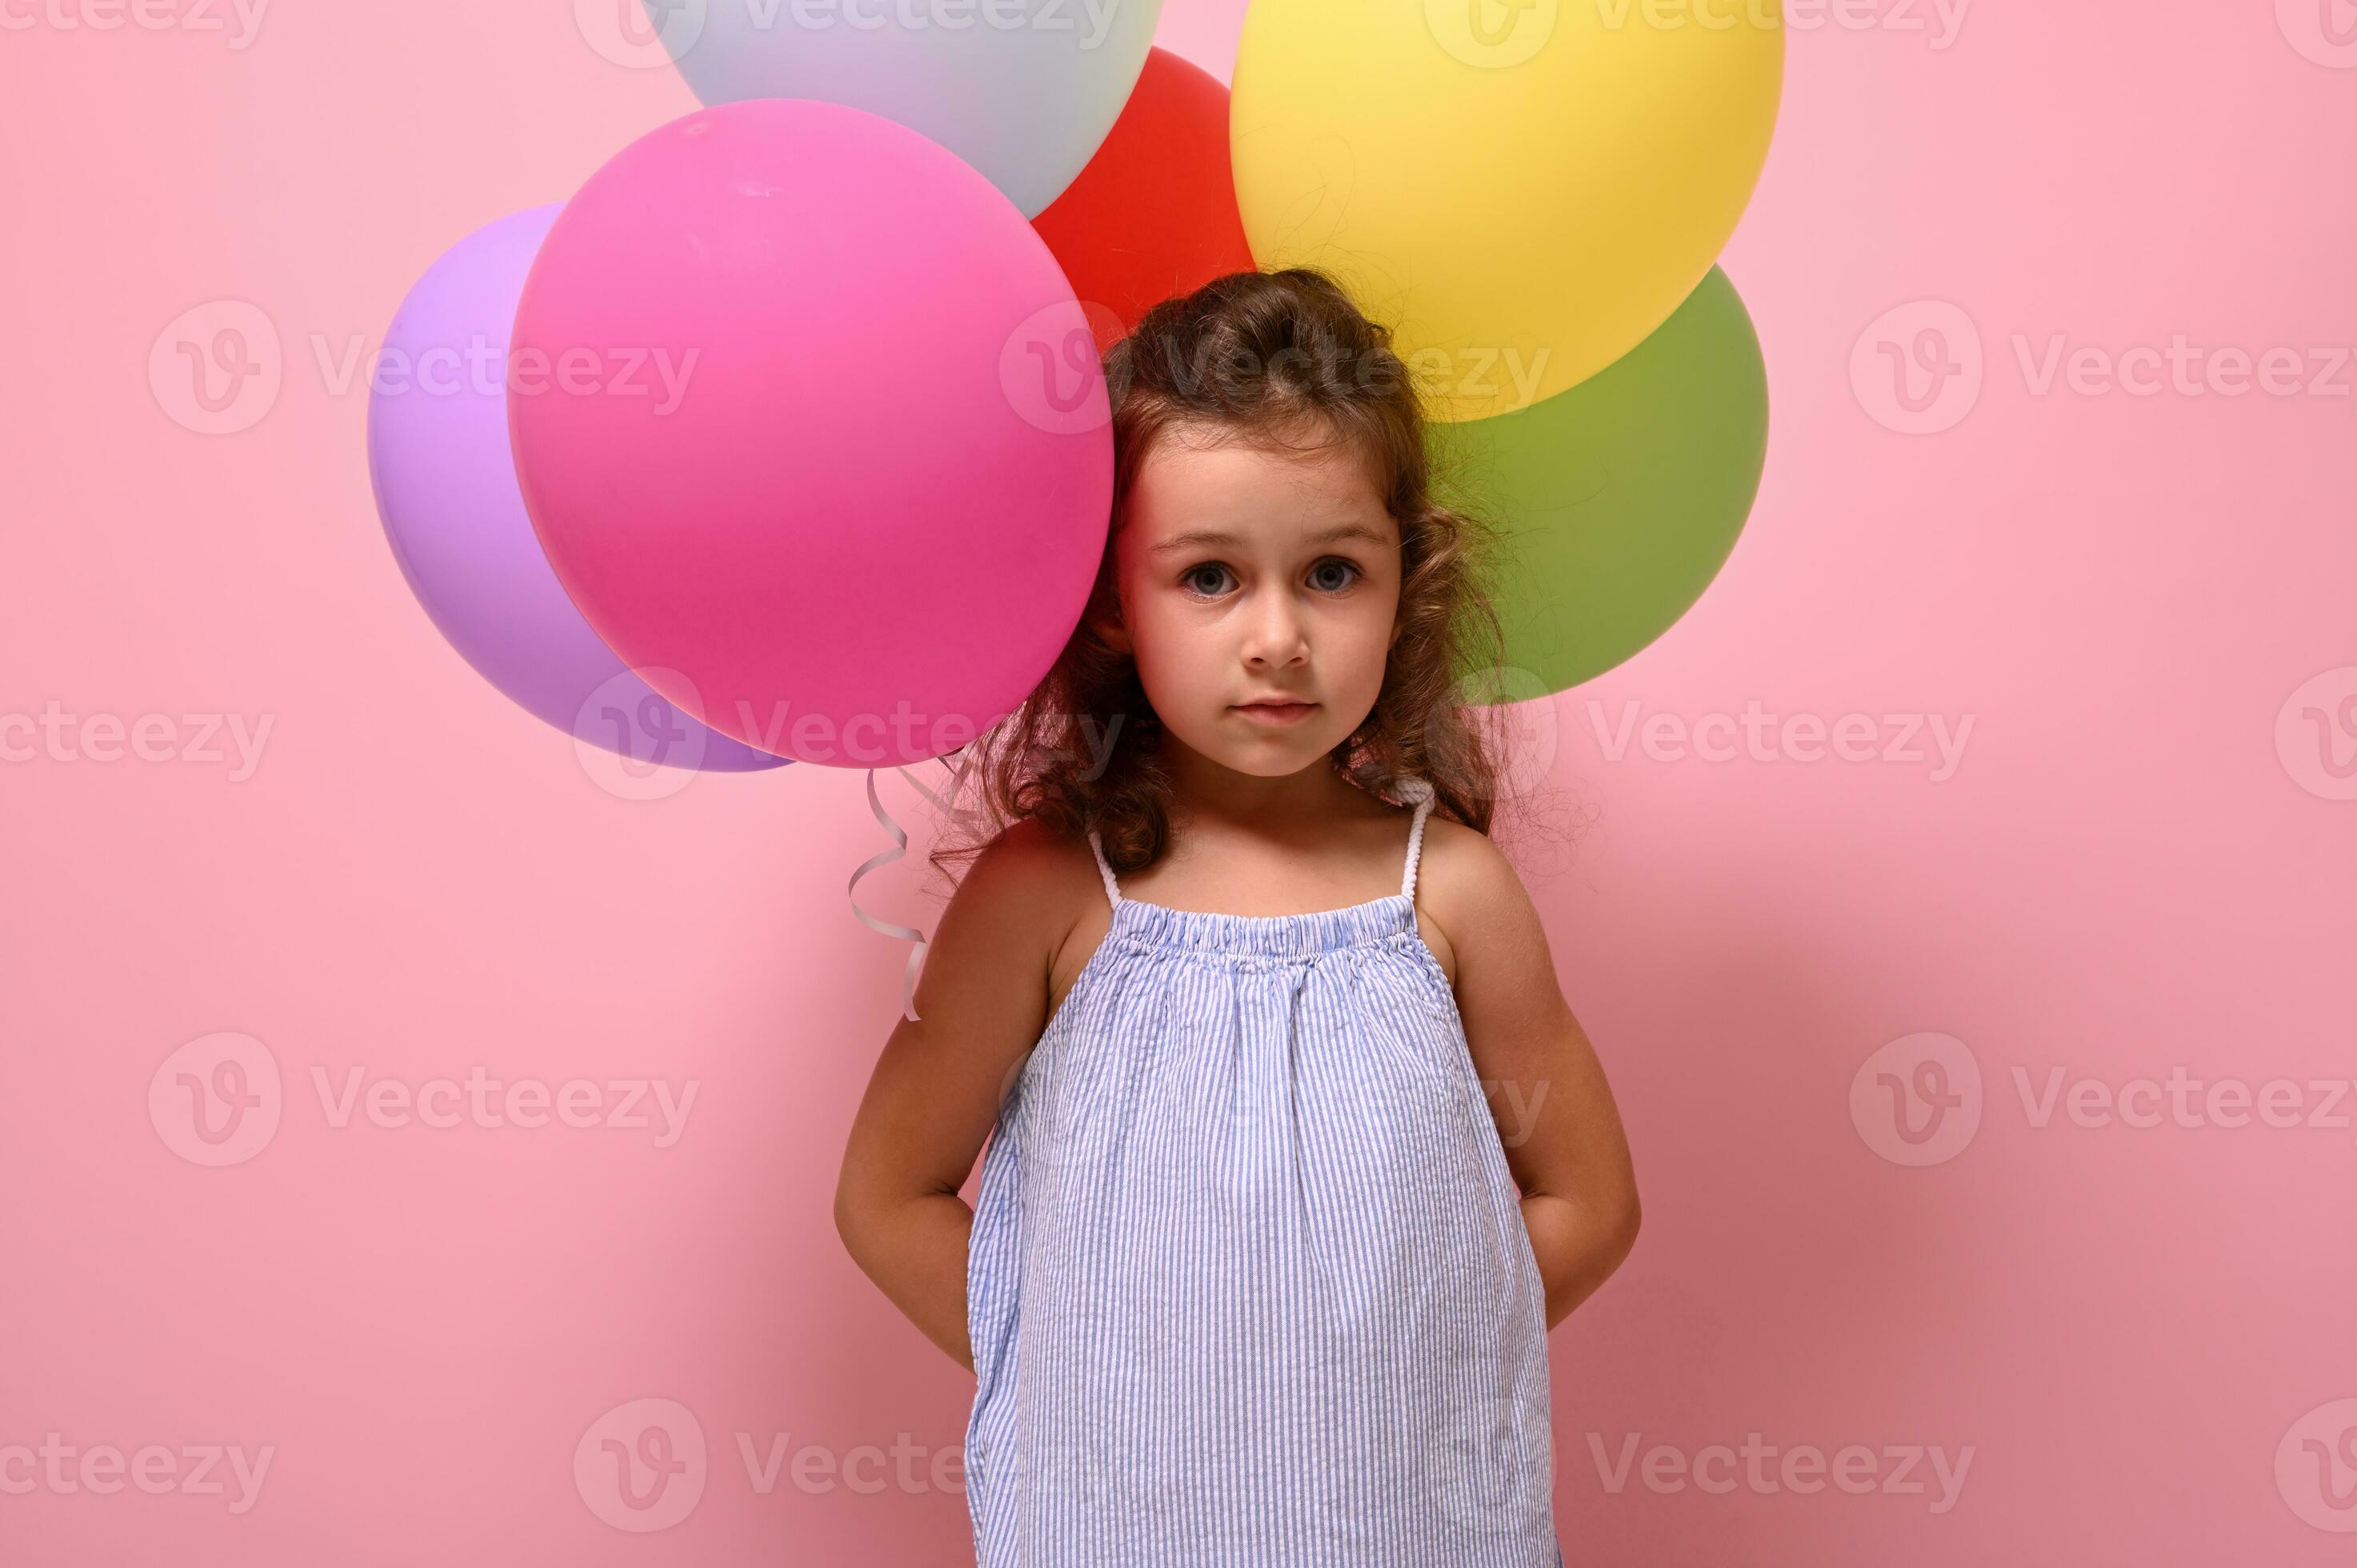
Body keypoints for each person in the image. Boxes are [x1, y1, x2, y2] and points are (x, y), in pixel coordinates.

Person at [833, 268, 1639, 1566]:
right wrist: (1101, 1393)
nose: (1277, 638)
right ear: (1111, 599)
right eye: (1209, 577)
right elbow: (888, 1194)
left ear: (1406, 584)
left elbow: (1586, 1199)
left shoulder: (1449, 896)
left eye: (1330, 572)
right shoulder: (1045, 896)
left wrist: (1396, 1385)